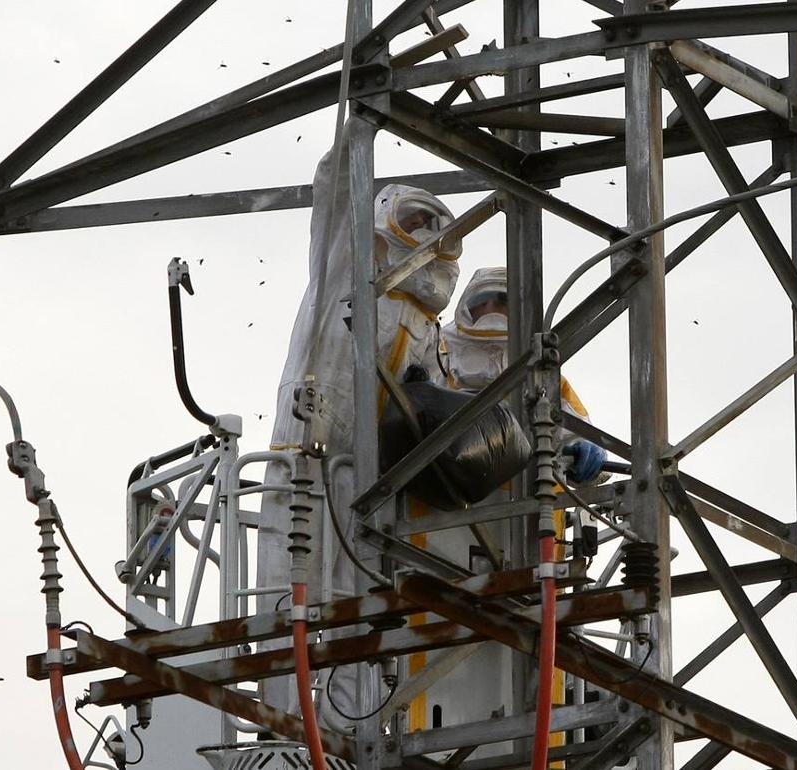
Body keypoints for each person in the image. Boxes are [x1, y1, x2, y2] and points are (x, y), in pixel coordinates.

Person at [256, 142, 462, 725]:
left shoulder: (435, 333)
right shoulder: (345, 273)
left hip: (368, 485)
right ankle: (285, 729)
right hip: (303, 459)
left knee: (361, 611)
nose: (424, 234)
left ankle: (348, 734)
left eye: (437, 228)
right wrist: (361, 122)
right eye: (415, 220)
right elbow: (335, 186)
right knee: (285, 602)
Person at [441, 267, 607, 483]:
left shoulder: (545, 373)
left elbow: (579, 439)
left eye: (501, 300)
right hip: (461, 499)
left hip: (535, 498)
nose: (490, 308)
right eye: (481, 302)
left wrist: (589, 451)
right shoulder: (440, 357)